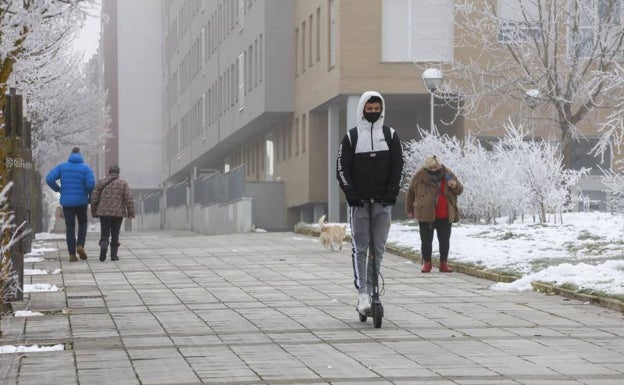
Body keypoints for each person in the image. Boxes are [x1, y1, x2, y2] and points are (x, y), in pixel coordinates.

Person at [336, 91, 404, 315]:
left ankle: (375, 288)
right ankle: (363, 293)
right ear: (363, 110)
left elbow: (398, 167)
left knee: (379, 248)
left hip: (383, 202)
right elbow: (341, 169)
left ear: (381, 110)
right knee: (361, 248)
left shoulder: (391, 135)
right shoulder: (351, 137)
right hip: (359, 203)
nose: (373, 112)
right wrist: (351, 193)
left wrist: (391, 193)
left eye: (377, 109)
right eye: (369, 109)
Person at [405, 155, 463, 273]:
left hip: (445, 213)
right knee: (426, 240)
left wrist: (455, 186)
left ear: (439, 166)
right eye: (430, 168)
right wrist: (410, 210)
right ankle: (427, 263)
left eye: (435, 167)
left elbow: (460, 189)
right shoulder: (420, 175)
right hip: (425, 213)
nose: (433, 169)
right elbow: (410, 193)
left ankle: (443, 264)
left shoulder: (447, 174)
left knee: (444, 240)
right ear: (426, 167)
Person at [46, 147, 95, 262]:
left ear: (70, 155)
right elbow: (91, 183)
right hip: (82, 202)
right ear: (80, 155)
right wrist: (88, 195)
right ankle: (80, 245)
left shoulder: (62, 167)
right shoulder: (85, 168)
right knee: (82, 224)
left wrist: (59, 189)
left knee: (70, 228)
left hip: (67, 203)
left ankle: (72, 254)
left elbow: (49, 179)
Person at [90, 165, 135, 261]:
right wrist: (130, 213)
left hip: (104, 213)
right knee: (115, 233)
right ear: (118, 173)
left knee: (105, 233)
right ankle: (113, 256)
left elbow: (94, 198)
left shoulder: (101, 182)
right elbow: (129, 199)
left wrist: (94, 212)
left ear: (109, 172)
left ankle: (104, 246)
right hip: (118, 214)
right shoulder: (123, 184)